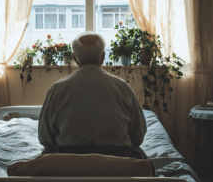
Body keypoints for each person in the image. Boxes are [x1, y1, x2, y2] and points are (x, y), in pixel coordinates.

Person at [38, 32, 149, 161]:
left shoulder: (57, 89)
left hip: (69, 161)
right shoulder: (122, 87)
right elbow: (138, 136)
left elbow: (45, 138)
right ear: (103, 57)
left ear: (74, 57)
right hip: (117, 160)